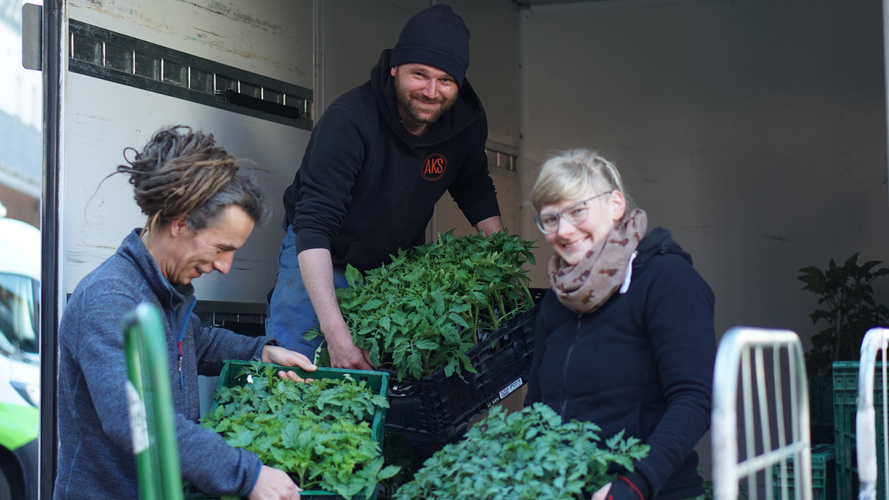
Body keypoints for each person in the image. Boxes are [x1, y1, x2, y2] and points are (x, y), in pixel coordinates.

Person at [55, 126, 315, 500]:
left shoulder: (160, 291)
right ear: (179, 223)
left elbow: (195, 340)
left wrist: (259, 352)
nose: (226, 266)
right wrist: (248, 475)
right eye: (221, 247)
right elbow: (135, 421)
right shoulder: (109, 297)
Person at [266, 4, 503, 369]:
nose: (431, 91)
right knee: (298, 368)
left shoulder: (466, 121)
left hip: (393, 268)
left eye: (446, 80)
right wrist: (336, 334)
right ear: (395, 68)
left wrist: (502, 261)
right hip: (324, 256)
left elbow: (473, 185)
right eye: (419, 75)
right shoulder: (350, 120)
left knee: (386, 385)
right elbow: (313, 226)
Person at [524, 149, 716, 500]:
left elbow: (694, 400)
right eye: (550, 218)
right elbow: (537, 404)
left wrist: (634, 485)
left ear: (615, 205)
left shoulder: (667, 280)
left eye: (577, 211)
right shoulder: (556, 300)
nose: (564, 231)